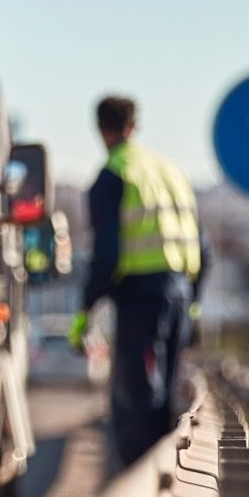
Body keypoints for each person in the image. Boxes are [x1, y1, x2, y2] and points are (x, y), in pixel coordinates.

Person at [67, 96, 207, 468]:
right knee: (167, 397)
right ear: (134, 126)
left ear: (101, 129)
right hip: (180, 292)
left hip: (140, 297)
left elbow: (107, 252)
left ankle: (141, 479)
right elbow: (202, 246)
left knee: (138, 398)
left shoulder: (113, 174)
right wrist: (194, 304)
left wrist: (87, 306)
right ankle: (167, 472)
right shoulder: (171, 173)